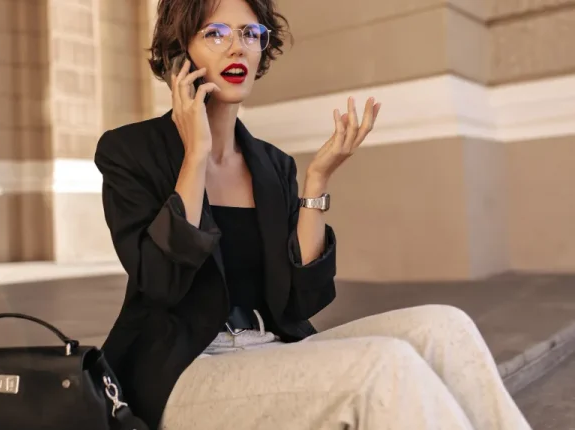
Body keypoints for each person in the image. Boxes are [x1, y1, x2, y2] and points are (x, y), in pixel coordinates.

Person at [93, 0, 532, 428]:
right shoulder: (130, 152)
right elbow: (161, 283)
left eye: (251, 33)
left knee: (446, 327)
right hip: (182, 372)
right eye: (215, 33)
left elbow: (301, 300)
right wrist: (196, 154)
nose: (238, 47)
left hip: (270, 351)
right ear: (179, 52)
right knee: (383, 365)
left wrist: (316, 183)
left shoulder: (272, 165)